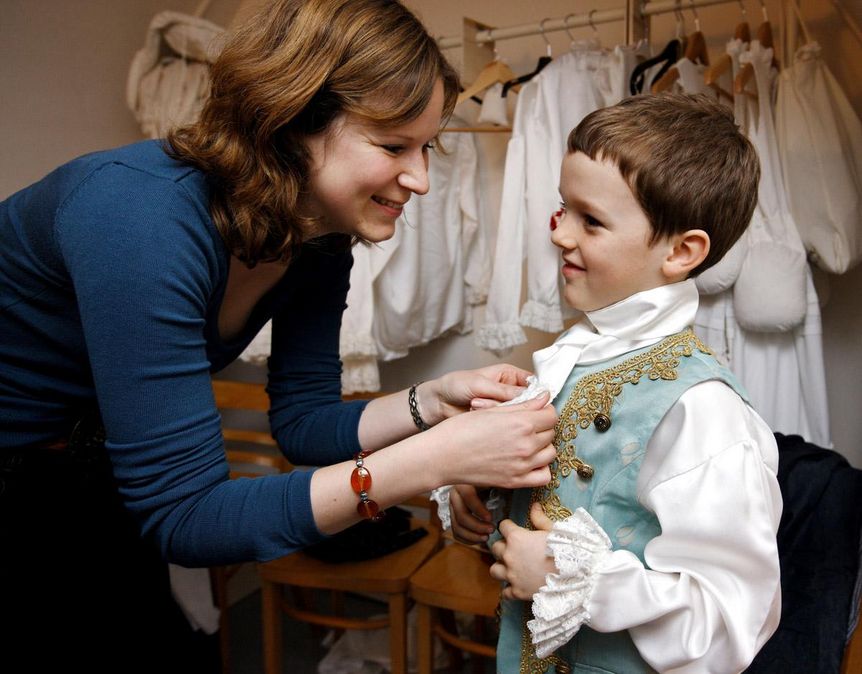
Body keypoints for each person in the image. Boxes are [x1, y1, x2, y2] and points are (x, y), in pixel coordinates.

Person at [0, 1, 558, 670]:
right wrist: (435, 458)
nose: (422, 179)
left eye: (427, 146)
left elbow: (303, 422)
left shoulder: (318, 237)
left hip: (93, 460)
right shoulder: (137, 219)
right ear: (291, 122)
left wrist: (430, 403)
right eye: (392, 146)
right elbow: (190, 517)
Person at [449, 92, 783, 673]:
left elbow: (732, 618)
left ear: (682, 251)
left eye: (592, 221)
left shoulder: (700, 411)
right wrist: (488, 495)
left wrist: (581, 582)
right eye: (564, 209)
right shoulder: (573, 358)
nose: (559, 235)